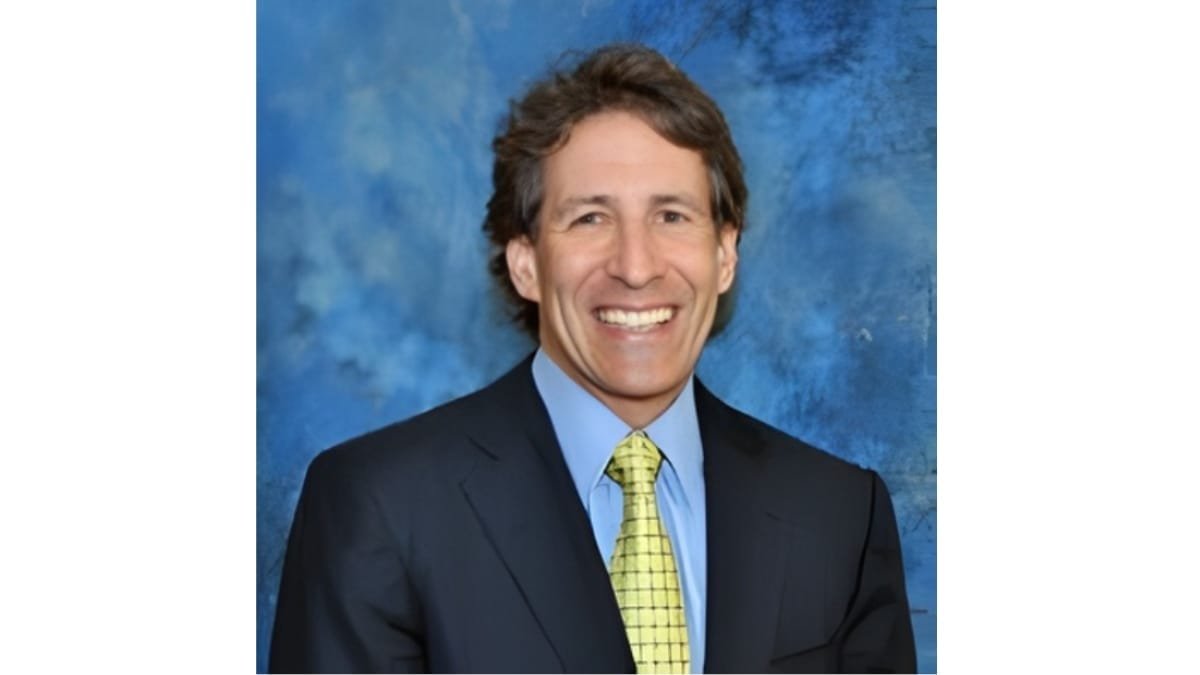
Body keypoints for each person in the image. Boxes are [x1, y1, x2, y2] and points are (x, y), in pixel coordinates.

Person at [269, 43, 916, 674]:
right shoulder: (382, 507)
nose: (635, 266)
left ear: (724, 255)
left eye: (671, 215)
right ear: (525, 262)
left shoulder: (838, 514)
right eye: (589, 219)